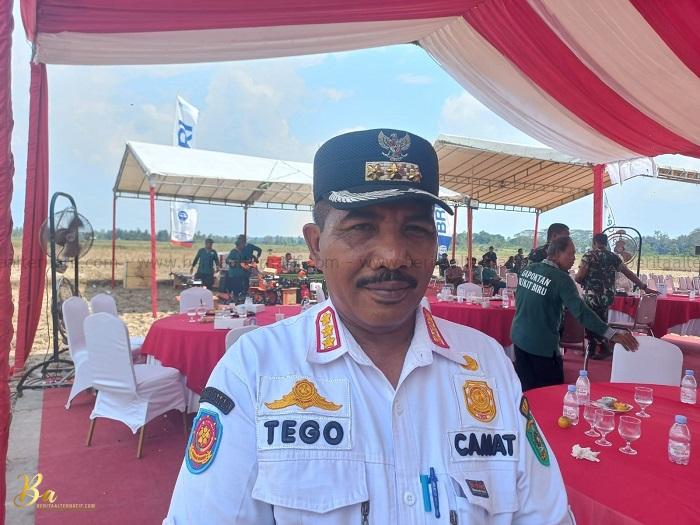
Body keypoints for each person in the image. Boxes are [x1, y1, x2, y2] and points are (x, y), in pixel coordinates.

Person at [165, 128, 573, 524]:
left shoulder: (488, 366)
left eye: (415, 229)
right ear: (316, 245)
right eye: (361, 227)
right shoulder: (255, 371)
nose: (393, 256)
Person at [511, 236, 639, 391]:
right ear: (557, 254)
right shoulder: (561, 279)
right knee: (550, 391)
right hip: (541, 345)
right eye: (571, 253)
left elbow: (520, 299)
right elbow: (582, 312)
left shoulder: (528, 270)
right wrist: (612, 334)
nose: (574, 258)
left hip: (519, 338)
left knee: (524, 388)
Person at [575, 233, 653, 360]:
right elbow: (628, 273)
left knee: (591, 321)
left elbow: (579, 277)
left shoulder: (589, 256)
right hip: (608, 296)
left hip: (592, 296)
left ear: (594, 243)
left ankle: (599, 347)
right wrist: (643, 286)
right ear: (606, 243)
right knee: (602, 320)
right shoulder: (613, 257)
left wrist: (578, 279)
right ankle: (596, 348)